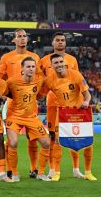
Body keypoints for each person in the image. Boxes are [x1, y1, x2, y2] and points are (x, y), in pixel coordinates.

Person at [43, 53, 97, 181]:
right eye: (56, 63)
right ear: (51, 66)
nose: (59, 64)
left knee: (86, 142)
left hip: (79, 112)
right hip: (62, 114)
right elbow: (39, 91)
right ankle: (56, 173)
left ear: (64, 62)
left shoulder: (75, 74)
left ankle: (88, 172)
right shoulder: (50, 79)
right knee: (56, 141)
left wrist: (86, 101)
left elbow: (87, 94)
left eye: (61, 62)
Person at [0, 29, 41, 178]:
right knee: (11, 140)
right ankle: (10, 169)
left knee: (33, 137)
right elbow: (1, 78)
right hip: (12, 103)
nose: (22, 39)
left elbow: (40, 77)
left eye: (24, 36)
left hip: (30, 103)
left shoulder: (35, 57)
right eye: (19, 37)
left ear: (27, 39)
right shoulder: (6, 57)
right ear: (14, 40)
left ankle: (34, 168)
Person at [39, 32, 80, 179]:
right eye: (57, 40)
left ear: (65, 43)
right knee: (52, 137)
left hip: (70, 105)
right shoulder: (44, 60)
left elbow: (77, 82)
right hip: (52, 104)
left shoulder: (72, 60)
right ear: (52, 43)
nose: (60, 42)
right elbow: (40, 82)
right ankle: (52, 169)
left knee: (74, 136)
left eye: (63, 40)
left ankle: (76, 169)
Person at [6, 57, 50, 182]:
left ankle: (41, 173)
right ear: (22, 68)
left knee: (46, 143)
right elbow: (1, 91)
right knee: (13, 143)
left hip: (31, 117)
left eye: (33, 66)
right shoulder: (12, 81)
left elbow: (43, 91)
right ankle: (14, 173)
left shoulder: (39, 80)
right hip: (14, 117)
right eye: (28, 66)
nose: (31, 69)